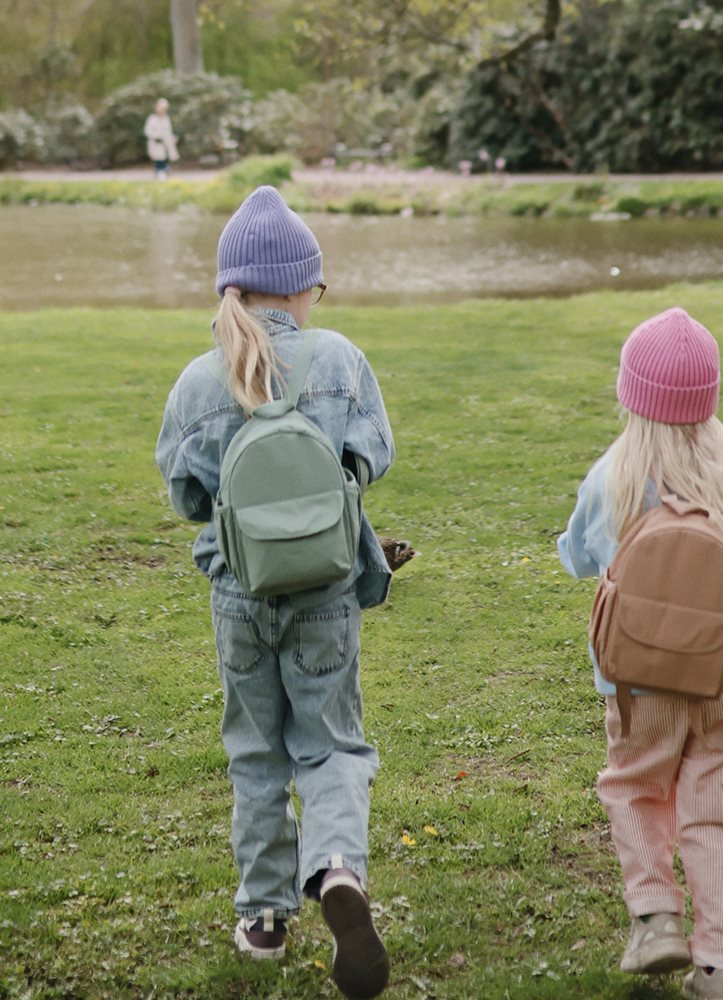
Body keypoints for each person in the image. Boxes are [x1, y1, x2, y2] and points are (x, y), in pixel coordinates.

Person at [155, 185, 394, 1000]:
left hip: (240, 600)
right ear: (299, 287)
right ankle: (335, 869)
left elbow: (187, 496)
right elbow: (372, 459)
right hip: (326, 593)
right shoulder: (338, 359)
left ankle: (262, 917)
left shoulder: (196, 380)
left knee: (256, 754)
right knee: (330, 743)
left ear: (232, 287)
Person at [557, 307, 723, 1000]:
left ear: (630, 395)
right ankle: (720, 969)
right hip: (721, 682)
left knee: (634, 785)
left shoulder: (614, 475)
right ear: (710, 398)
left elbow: (579, 556)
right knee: (717, 811)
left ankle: (657, 917)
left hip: (632, 687)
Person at [143, 97, 179, 180]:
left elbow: (168, 131)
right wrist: (157, 136)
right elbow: (147, 131)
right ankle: (159, 173)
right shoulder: (152, 118)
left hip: (165, 143)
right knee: (158, 159)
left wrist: (172, 138)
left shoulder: (166, 118)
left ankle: (165, 171)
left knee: (165, 158)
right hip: (156, 143)